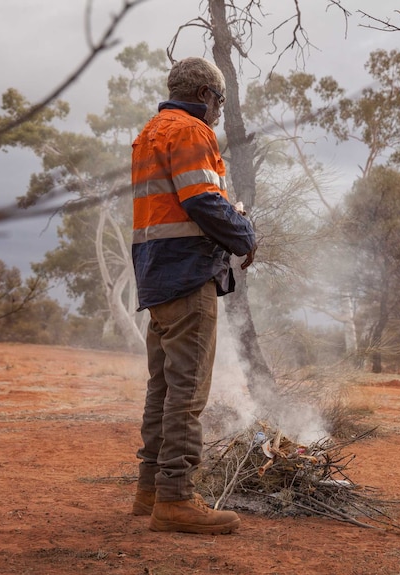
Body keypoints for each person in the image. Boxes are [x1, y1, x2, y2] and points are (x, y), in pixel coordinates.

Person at [129, 57, 257, 534]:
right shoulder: (190, 130)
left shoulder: (150, 132)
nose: (219, 111)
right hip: (185, 275)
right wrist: (244, 235)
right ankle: (177, 498)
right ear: (206, 93)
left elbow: (182, 198)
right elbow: (201, 200)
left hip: (156, 275)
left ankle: (149, 489)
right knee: (187, 390)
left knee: (162, 386)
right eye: (219, 101)